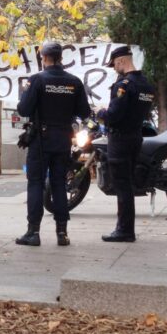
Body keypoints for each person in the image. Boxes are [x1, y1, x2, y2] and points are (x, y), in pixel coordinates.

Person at [15, 43, 90, 247]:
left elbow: (23, 109)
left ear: (44, 57)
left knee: (36, 183)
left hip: (41, 138)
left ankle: (33, 232)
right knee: (58, 184)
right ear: (60, 57)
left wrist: (25, 94)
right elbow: (84, 111)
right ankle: (62, 233)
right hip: (63, 138)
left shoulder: (37, 80)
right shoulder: (74, 82)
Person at [97, 45, 155, 243]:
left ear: (121, 61)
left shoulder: (124, 85)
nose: (114, 69)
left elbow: (113, 115)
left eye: (114, 65)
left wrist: (99, 113)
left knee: (122, 185)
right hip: (135, 137)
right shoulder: (146, 84)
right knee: (128, 184)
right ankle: (125, 228)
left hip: (120, 139)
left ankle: (124, 230)